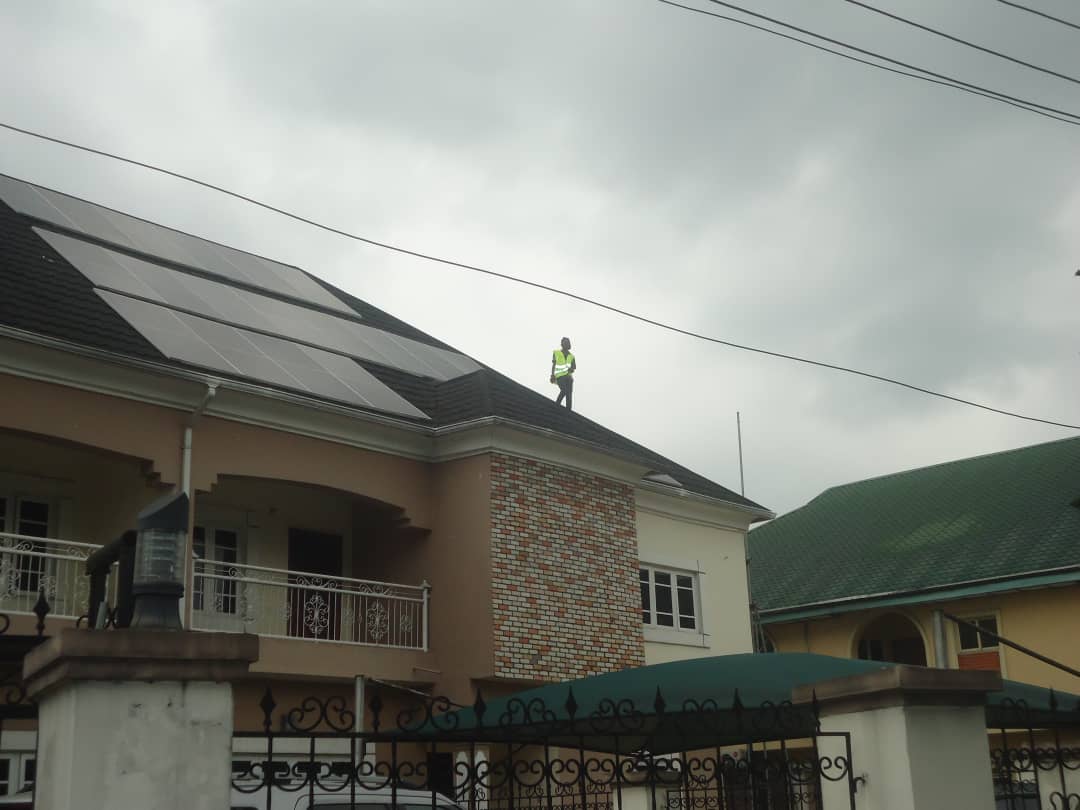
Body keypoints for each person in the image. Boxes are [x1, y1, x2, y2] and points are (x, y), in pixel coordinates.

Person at [550, 337, 576, 410]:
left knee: (569, 395)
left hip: (569, 377)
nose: (566, 343)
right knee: (564, 390)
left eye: (567, 342)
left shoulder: (572, 356)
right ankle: (557, 405)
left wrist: (571, 369)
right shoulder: (557, 353)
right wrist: (552, 375)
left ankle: (568, 412)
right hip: (560, 376)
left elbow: (573, 367)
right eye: (565, 342)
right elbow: (554, 364)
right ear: (562, 343)